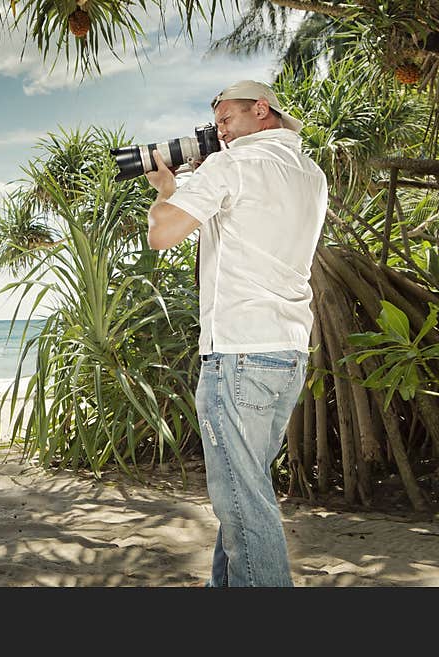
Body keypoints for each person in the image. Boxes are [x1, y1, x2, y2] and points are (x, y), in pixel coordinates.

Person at [144, 80, 328, 587]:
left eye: (225, 120)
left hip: (239, 355)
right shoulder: (310, 173)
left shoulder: (234, 165)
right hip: (287, 352)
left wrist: (167, 191)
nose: (218, 132)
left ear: (261, 111)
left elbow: (162, 234)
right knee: (244, 496)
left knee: (245, 506)